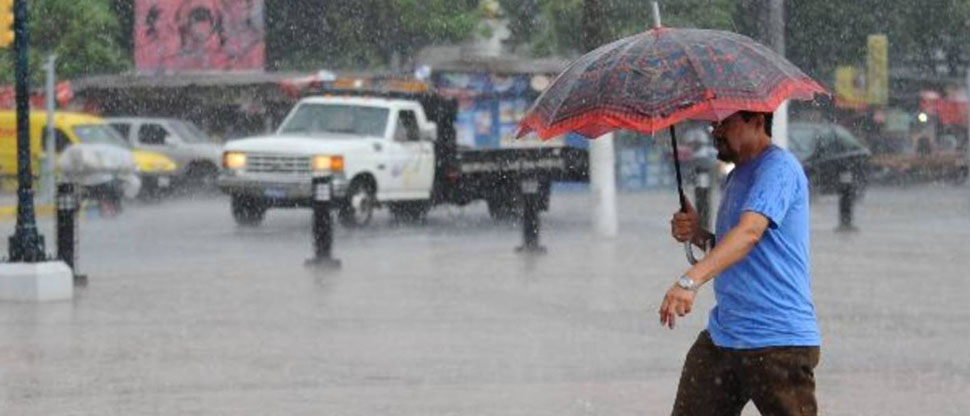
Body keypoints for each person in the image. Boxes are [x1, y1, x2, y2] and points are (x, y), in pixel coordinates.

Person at [660, 111, 821, 416]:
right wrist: (697, 234)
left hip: (777, 342)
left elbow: (749, 234)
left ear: (757, 120)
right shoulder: (737, 175)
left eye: (724, 123)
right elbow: (732, 249)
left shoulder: (779, 169)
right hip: (725, 337)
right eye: (713, 123)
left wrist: (689, 281)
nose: (715, 130)